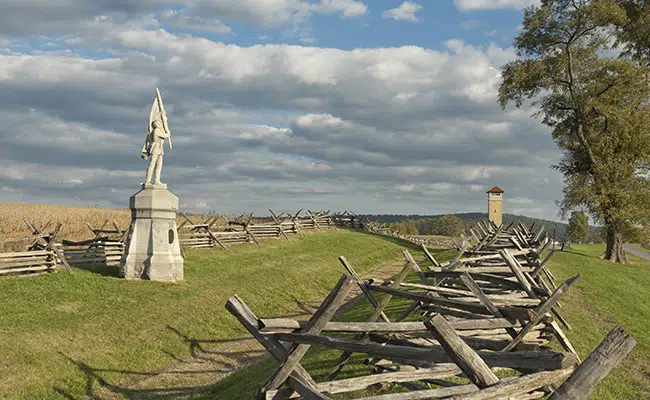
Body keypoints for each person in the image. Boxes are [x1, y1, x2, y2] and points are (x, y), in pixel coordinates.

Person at [141, 120, 170, 184]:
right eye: (159, 123)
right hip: (155, 149)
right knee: (152, 165)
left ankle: (157, 180)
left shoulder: (157, 131)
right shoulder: (156, 131)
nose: (160, 124)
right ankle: (147, 180)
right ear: (156, 125)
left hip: (160, 149)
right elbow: (166, 135)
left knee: (159, 165)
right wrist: (168, 132)